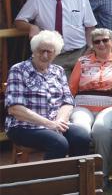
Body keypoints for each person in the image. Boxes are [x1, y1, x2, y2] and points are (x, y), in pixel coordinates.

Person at [4, 31, 91, 160]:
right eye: (41, 51)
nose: (45, 55)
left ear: (55, 53)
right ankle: (49, 180)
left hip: (54, 124)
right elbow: (15, 109)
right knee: (58, 143)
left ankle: (75, 178)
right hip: (24, 126)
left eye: (49, 52)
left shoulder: (58, 71)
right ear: (33, 50)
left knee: (82, 136)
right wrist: (49, 124)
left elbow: (67, 101)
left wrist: (59, 121)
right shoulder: (19, 70)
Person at [68, 28, 112, 180]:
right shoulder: (82, 61)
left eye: (105, 40)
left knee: (101, 129)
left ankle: (100, 177)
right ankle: (79, 175)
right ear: (92, 44)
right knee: (80, 130)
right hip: (83, 105)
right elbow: (71, 88)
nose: (101, 44)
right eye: (97, 41)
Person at [15, 0, 96, 72]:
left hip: (80, 53)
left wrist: (90, 47)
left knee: (84, 87)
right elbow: (18, 22)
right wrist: (32, 27)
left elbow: (90, 26)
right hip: (52, 56)